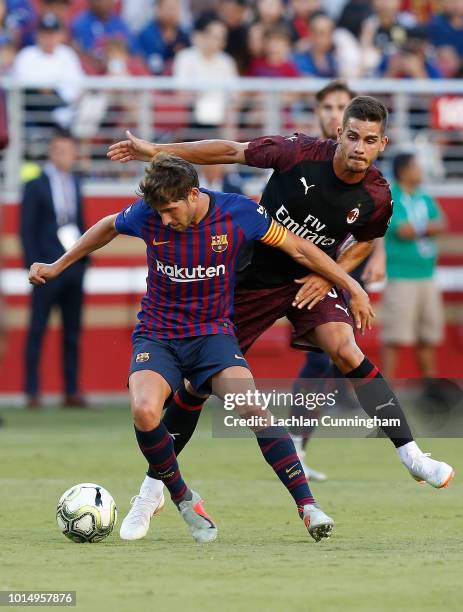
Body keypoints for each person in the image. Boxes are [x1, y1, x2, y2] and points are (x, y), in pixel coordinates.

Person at [107, 96, 454, 540]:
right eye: (351, 137)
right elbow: (230, 149)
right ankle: (153, 488)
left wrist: (337, 276)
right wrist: (158, 151)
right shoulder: (297, 153)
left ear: (382, 143)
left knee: (347, 349)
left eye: (369, 140)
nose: (358, 148)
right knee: (196, 386)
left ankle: (412, 455)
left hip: (310, 281)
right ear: (339, 134)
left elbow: (366, 240)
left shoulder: (377, 196)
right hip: (251, 280)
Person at [28, 154, 376, 543]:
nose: (163, 221)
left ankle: (308, 507)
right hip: (158, 334)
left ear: (193, 194)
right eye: (157, 212)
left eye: (171, 210)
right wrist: (59, 265)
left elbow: (298, 249)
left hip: (213, 336)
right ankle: (183, 499)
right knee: (145, 410)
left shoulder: (239, 213)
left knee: (252, 408)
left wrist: (351, 285)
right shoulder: (147, 213)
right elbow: (108, 225)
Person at [291, 80, 386, 482]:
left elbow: (374, 224)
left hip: (341, 268)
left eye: (340, 106)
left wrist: (377, 256)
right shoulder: (305, 158)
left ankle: (296, 441)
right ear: (325, 118)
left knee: (324, 356)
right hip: (295, 266)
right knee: (322, 355)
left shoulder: (367, 165)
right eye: (328, 107)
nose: (333, 112)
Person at [20, 130, 87, 409]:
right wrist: (33, 266)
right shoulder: (35, 185)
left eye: (68, 150)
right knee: (37, 329)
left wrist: (83, 263)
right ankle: (32, 391)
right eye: (59, 150)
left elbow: (81, 224)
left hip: (72, 268)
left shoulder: (76, 182)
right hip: (45, 270)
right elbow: (27, 229)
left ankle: (71, 391)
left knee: (72, 333)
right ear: (51, 151)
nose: (64, 156)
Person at [382, 153, 446, 380]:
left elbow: (441, 224)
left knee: (427, 336)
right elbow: (402, 230)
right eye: (416, 167)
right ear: (404, 171)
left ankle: (430, 388)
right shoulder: (392, 197)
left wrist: (417, 227)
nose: (420, 171)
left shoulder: (424, 197)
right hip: (401, 276)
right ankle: (385, 391)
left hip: (427, 276)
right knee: (394, 337)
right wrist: (426, 226)